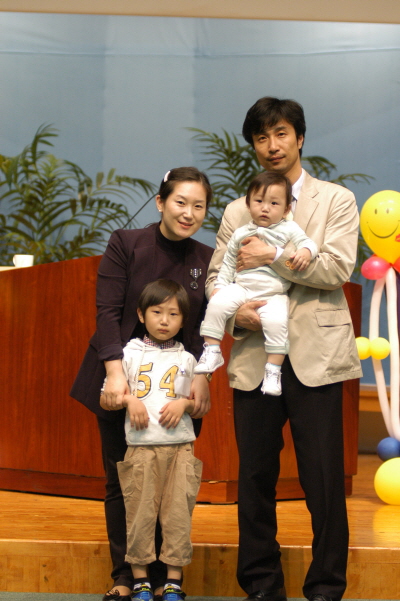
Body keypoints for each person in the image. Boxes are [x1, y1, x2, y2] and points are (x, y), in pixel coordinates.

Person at [206, 97, 362, 601]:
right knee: (254, 478)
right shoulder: (238, 210)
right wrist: (237, 315)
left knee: (323, 480)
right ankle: (261, 586)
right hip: (256, 356)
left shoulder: (335, 200)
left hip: (317, 356)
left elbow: (336, 269)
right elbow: (215, 279)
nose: (272, 145)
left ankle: (326, 588)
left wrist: (273, 254)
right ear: (253, 146)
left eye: (281, 134)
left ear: (299, 138)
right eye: (261, 137)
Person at [70, 167, 214, 601]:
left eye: (199, 206)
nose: (188, 213)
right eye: (180, 202)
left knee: (170, 486)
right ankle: (126, 577)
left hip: (176, 391)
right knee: (124, 481)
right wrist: (115, 375)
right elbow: (107, 312)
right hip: (122, 382)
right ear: (160, 202)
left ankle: (167, 578)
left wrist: (202, 377)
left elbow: (207, 327)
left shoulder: (207, 258)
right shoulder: (127, 243)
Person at [114, 279, 202, 601]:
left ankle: (173, 582)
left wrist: (184, 405)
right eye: (157, 312)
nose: (165, 321)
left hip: (180, 449)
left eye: (173, 314)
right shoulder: (128, 354)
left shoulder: (188, 359)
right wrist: (129, 400)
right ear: (141, 314)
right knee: (140, 515)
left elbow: (199, 404)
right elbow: (108, 397)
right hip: (141, 449)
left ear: (183, 320)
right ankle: (141, 581)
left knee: (178, 515)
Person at [194, 171, 317, 395]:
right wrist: (220, 286)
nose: (265, 208)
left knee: (277, 323)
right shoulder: (241, 232)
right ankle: (212, 350)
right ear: (248, 204)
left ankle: (273, 371)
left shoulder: (289, 228)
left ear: (286, 209)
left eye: (274, 203)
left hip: (273, 293)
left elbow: (308, 243)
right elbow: (228, 262)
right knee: (216, 303)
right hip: (241, 288)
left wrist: (306, 252)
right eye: (259, 201)